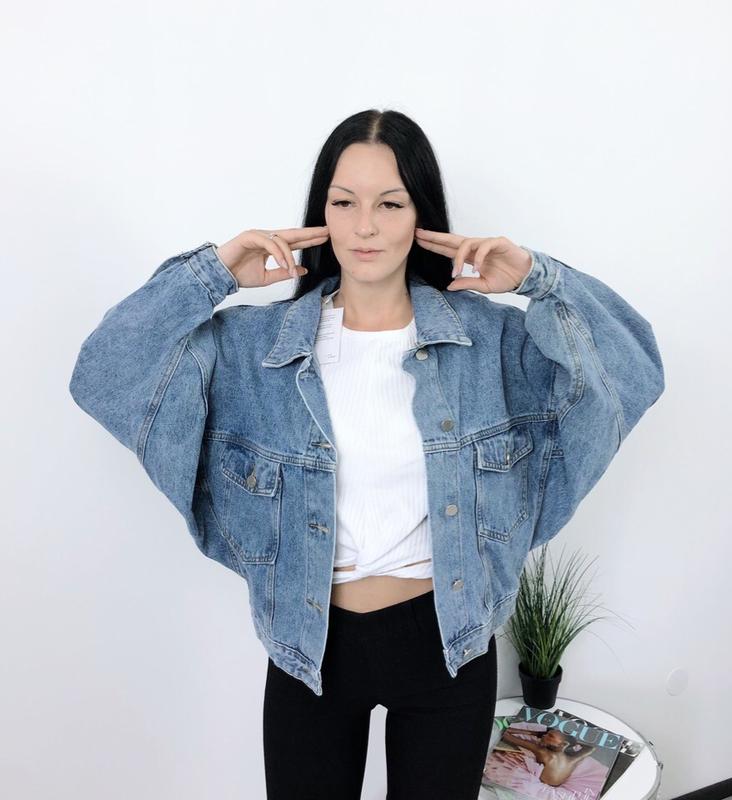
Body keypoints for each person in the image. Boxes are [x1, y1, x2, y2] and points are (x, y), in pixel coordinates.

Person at [69, 108, 665, 799]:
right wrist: (212, 275)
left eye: (390, 203)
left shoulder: (492, 342)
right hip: (308, 644)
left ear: (420, 216)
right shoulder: (252, 347)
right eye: (344, 202)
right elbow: (103, 375)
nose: (365, 227)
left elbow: (633, 371)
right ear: (320, 213)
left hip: (447, 644)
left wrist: (539, 278)